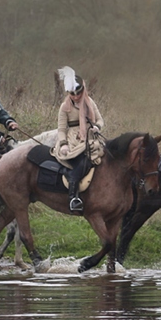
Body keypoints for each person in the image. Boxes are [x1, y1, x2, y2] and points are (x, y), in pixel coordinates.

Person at [51, 67, 105, 213]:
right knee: (82, 162)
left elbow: (100, 120)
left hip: (90, 137)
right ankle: (73, 198)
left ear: (83, 90)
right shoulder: (64, 107)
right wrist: (63, 144)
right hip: (73, 141)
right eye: (72, 94)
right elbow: (61, 129)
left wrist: (97, 127)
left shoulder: (90, 103)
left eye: (78, 93)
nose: (75, 97)